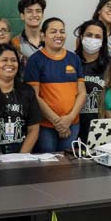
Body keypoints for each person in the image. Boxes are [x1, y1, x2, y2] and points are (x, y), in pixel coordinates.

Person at [24, 17, 86, 152]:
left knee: (67, 165)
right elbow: (34, 96)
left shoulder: (74, 59)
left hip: (72, 124)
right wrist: (57, 121)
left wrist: (69, 119)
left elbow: (82, 93)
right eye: (53, 31)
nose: (59, 35)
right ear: (43, 35)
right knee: (47, 167)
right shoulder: (35, 61)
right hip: (45, 126)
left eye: (62, 31)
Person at [0, 44, 42, 153]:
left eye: (13, 60)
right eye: (4, 60)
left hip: (22, 156)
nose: (9, 64)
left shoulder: (27, 91)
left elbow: (34, 129)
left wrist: (21, 157)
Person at [74, 19, 110, 144]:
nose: (92, 39)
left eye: (97, 36)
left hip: (102, 129)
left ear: (103, 41)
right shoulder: (71, 62)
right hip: (74, 128)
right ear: (81, 36)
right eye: (89, 35)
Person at [11, 0, 45, 67]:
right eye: (29, 11)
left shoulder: (50, 39)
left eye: (38, 11)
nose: (34, 15)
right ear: (22, 16)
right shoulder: (15, 42)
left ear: (42, 15)